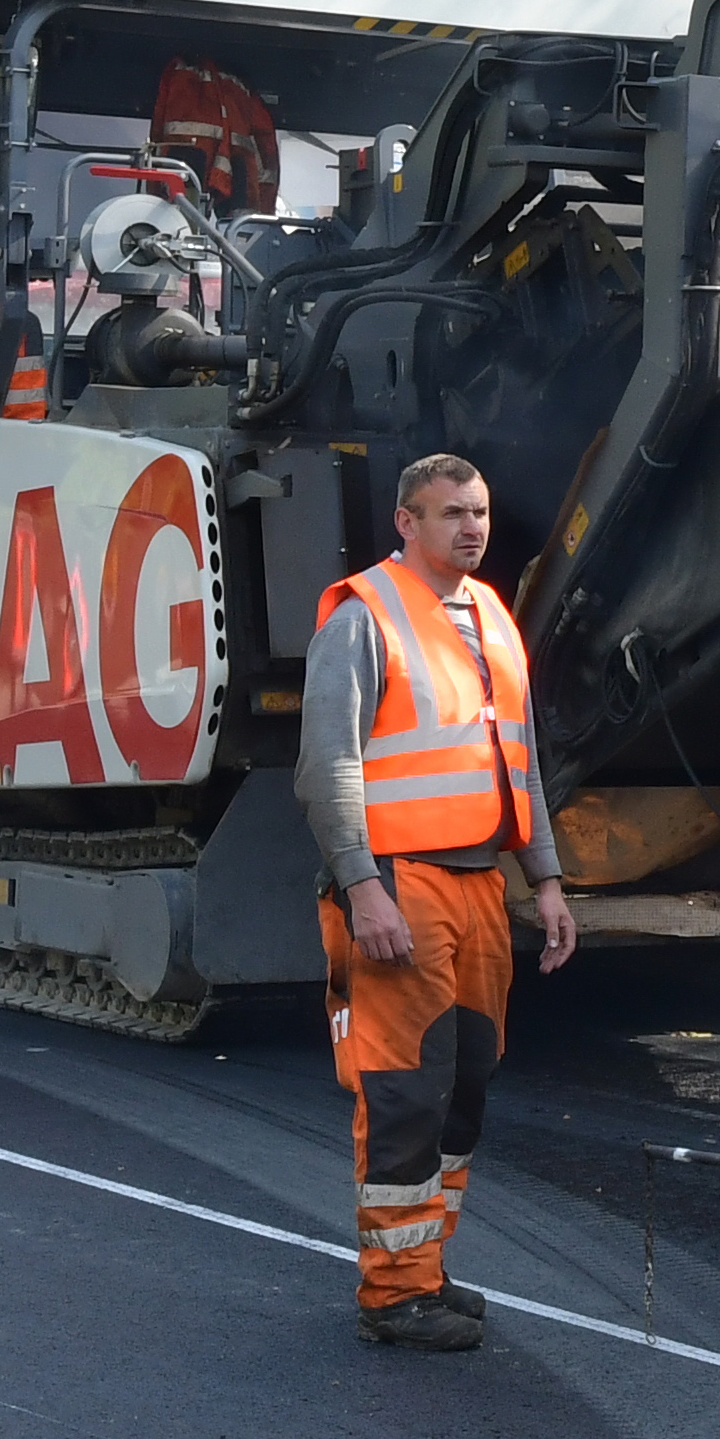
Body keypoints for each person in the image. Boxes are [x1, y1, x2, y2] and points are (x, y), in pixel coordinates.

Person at [309, 450, 576, 1351]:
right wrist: (364, 889)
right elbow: (327, 768)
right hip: (402, 884)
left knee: (466, 1082)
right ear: (406, 521)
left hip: (477, 885)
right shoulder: (364, 616)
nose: (472, 528)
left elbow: (518, 762)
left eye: (480, 512)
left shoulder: (490, 615)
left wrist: (546, 879)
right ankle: (392, 1294)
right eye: (452, 513)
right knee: (403, 1089)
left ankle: (423, 1265)